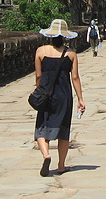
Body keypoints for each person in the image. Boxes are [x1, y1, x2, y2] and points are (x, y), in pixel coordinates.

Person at [34, 19, 85, 177]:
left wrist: (39, 90)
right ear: (65, 36)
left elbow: (38, 75)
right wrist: (80, 99)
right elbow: (75, 77)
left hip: (46, 94)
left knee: (42, 126)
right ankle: (61, 165)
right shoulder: (71, 54)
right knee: (63, 130)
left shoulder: (40, 51)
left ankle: (46, 155)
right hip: (64, 95)